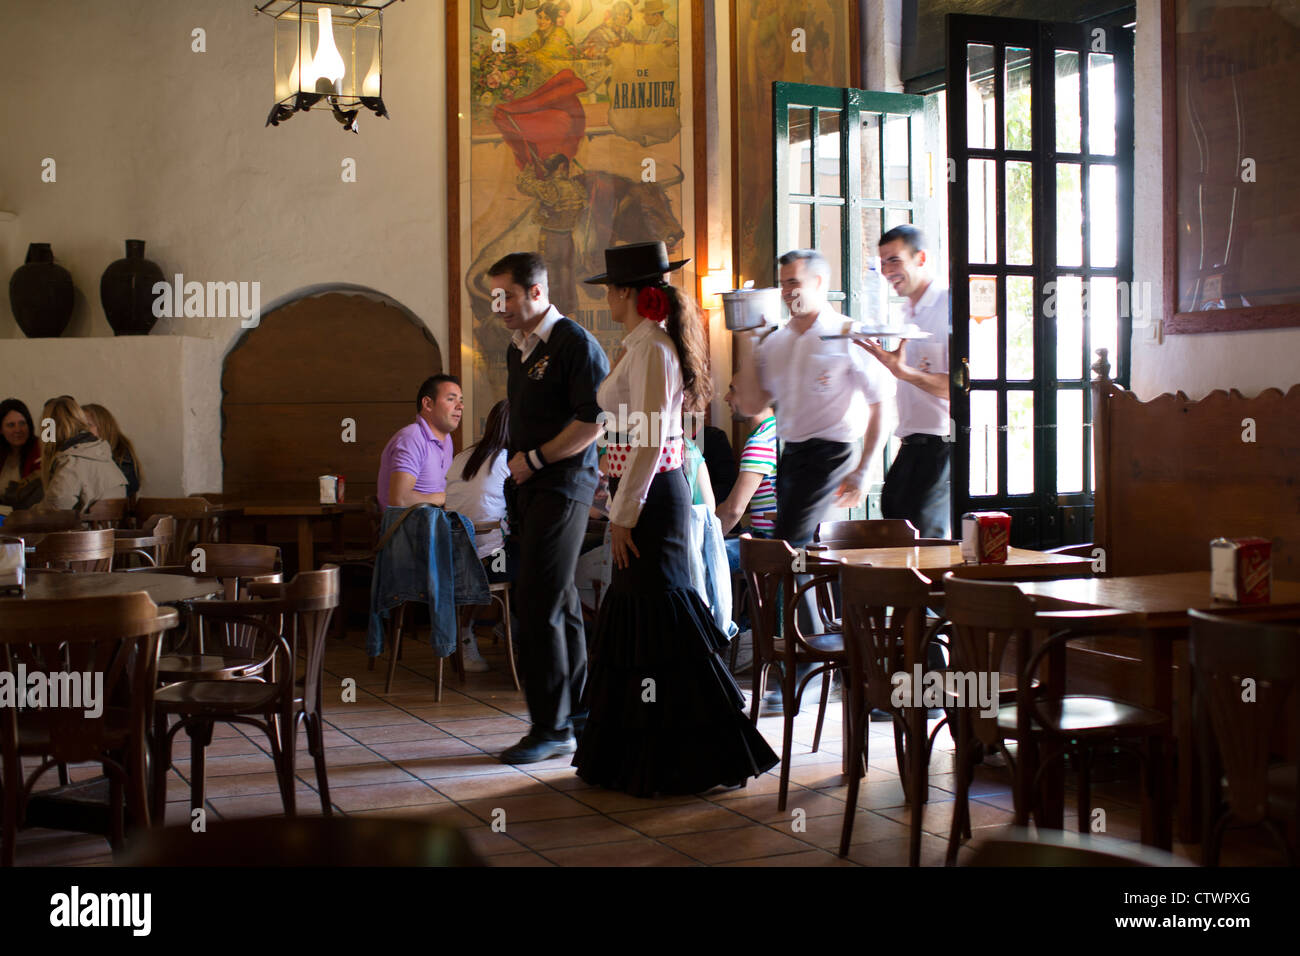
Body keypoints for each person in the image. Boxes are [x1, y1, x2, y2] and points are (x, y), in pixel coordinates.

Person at [573, 240, 778, 796]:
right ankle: (651, 757)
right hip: (644, 495)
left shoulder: (651, 350)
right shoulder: (643, 344)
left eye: (610, 290)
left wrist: (621, 514)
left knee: (657, 614)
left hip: (650, 499)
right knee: (646, 615)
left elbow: (648, 441)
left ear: (628, 294)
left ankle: (689, 758)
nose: (607, 299)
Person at [489, 251, 610, 764]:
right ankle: (577, 716)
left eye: (507, 295)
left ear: (537, 293)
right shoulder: (518, 349)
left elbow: (597, 419)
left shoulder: (574, 344)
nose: (499, 306)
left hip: (564, 485)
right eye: (494, 297)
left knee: (537, 599)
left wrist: (535, 459)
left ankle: (549, 726)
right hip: (533, 487)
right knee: (556, 600)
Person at [733, 248, 886, 548]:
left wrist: (866, 469)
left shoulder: (849, 333)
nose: (787, 293)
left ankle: (800, 592)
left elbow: (881, 402)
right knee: (804, 548)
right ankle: (814, 594)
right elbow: (751, 404)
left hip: (834, 456)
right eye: (783, 284)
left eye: (794, 283)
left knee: (794, 543)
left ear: (817, 282)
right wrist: (747, 340)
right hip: (790, 456)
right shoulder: (775, 343)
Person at [859, 225, 952, 538]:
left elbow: (962, 387)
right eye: (883, 262)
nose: (887, 271)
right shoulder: (905, 314)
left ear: (921, 258)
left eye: (894, 261)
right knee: (893, 521)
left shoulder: (949, 307)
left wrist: (903, 373)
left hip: (944, 445)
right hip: (910, 443)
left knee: (929, 540)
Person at [444, 399, 512, 672]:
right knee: (538, 563)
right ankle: (512, 627)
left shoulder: (463, 456)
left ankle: (506, 625)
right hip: (489, 563)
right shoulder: (510, 461)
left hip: (450, 557)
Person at [376, 375, 462, 511]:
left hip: (434, 524)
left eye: (460, 400)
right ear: (428, 404)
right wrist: (447, 497)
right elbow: (400, 499)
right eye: (451, 399)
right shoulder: (411, 438)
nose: (460, 406)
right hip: (409, 529)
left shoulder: (447, 439)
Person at [35, 395, 128, 513]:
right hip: (109, 530)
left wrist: (25, 515)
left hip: (85, 530)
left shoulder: (72, 461)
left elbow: (54, 510)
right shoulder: (101, 452)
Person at [82, 403, 143, 497]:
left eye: (88, 425)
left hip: (110, 508)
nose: (82, 430)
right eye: (79, 426)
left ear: (103, 427)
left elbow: (128, 488)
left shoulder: (121, 453)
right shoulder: (80, 450)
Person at [0, 398, 42, 505]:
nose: (18, 430)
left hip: (27, 517)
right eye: (11, 425)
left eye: (22, 423)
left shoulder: (40, 450)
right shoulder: (2, 452)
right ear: (1, 430)